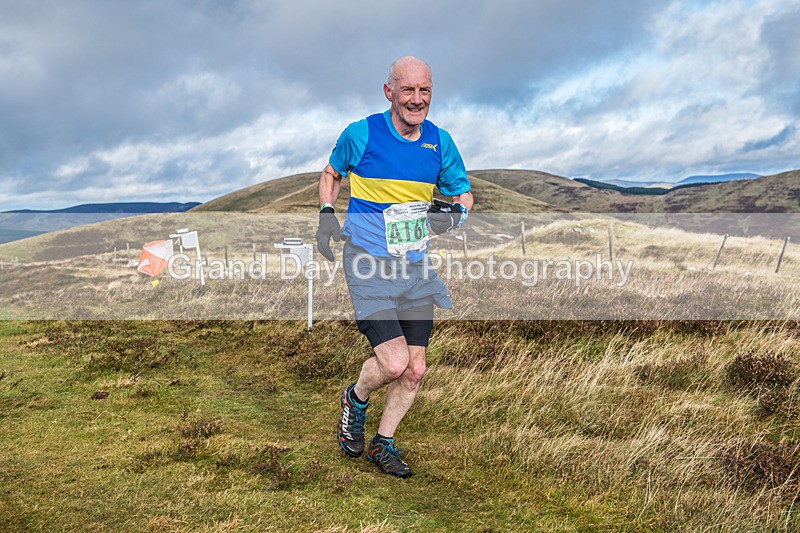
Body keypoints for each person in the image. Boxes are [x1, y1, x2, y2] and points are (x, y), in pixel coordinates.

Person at [316, 56, 473, 478]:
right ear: (389, 92)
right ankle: (355, 398)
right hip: (367, 264)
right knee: (392, 363)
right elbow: (331, 173)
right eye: (407, 90)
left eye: (424, 91)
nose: (416, 99)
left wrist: (454, 215)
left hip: (415, 268)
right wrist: (327, 213)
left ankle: (382, 445)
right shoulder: (361, 134)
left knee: (416, 368)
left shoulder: (439, 143)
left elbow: (463, 193)